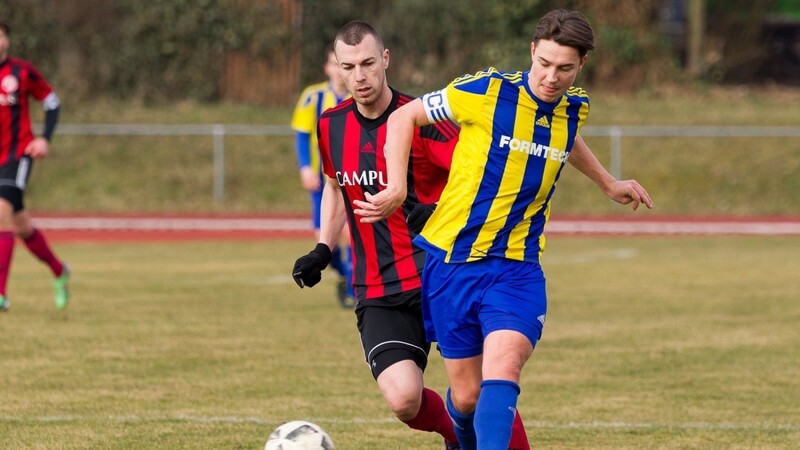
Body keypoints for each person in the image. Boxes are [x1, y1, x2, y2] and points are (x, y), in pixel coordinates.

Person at [355, 9, 654, 449]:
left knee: (505, 365)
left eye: (565, 68)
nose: (552, 77)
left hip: (517, 268)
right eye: (544, 64)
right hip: (451, 263)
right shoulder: (485, 92)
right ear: (532, 52)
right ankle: (459, 438)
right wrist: (398, 185)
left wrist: (608, 182)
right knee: (467, 395)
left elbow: (564, 139)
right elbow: (403, 119)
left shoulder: (575, 108)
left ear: (581, 66)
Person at [291, 21, 531, 450]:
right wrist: (324, 248)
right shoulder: (331, 125)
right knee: (403, 399)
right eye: (349, 67)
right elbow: (333, 185)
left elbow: (476, 175)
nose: (359, 76)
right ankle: (452, 435)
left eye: (367, 63)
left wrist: (430, 212)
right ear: (337, 70)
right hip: (379, 286)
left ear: (385, 60)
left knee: (475, 391)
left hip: (438, 275)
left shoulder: (422, 119)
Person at [0, 18, 69, 312]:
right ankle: (59, 270)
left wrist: (45, 139)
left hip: (18, 155)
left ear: (7, 40)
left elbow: (51, 102)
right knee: (21, 225)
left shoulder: (22, 71)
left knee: (0, 213)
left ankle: (0, 295)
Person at [290, 43, 355, 308]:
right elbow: (302, 135)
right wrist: (305, 167)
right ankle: (344, 274)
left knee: (351, 235)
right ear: (327, 68)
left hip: (353, 180)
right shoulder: (313, 96)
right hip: (324, 182)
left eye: (343, 64)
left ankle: (354, 291)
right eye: (333, 64)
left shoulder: (360, 96)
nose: (338, 70)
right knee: (324, 240)